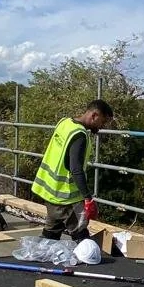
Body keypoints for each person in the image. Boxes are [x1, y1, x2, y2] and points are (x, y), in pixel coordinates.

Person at [32, 99, 114, 240]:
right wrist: (88, 198)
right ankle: (89, 258)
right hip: (66, 196)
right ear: (94, 115)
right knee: (80, 232)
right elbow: (76, 169)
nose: (101, 126)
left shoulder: (64, 123)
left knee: (52, 230)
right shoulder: (79, 135)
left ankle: (40, 255)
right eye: (102, 121)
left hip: (49, 190)